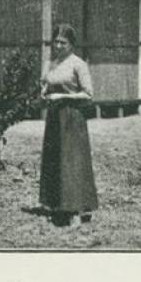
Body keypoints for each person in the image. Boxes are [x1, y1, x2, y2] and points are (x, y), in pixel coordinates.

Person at [39, 23, 98, 227]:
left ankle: (76, 209)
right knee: (55, 160)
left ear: (71, 44)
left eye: (63, 42)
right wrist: (44, 91)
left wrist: (62, 96)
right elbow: (46, 83)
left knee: (72, 163)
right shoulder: (52, 63)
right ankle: (57, 205)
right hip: (54, 117)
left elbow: (88, 94)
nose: (58, 45)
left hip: (72, 118)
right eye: (55, 41)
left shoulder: (78, 64)